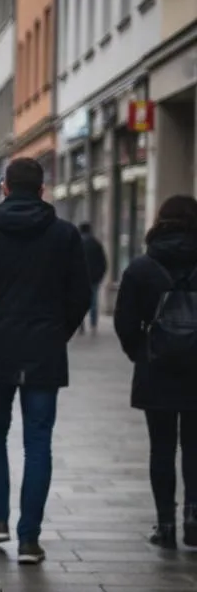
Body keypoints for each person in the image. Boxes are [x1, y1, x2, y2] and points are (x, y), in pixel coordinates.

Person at [0, 157, 90, 564]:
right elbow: (80, 295)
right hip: (45, 348)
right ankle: (29, 537)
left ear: (6, 188)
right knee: (38, 441)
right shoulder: (64, 235)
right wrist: (57, 332)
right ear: (43, 190)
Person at [112, 195, 197, 549]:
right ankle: (194, 518)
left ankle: (165, 526)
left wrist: (142, 354)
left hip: (157, 369)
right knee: (195, 447)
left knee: (160, 448)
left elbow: (124, 323)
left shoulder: (141, 268)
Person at [79, 222, 109, 333]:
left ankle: (80, 324)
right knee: (93, 302)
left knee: (79, 301)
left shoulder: (77, 242)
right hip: (94, 278)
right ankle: (93, 325)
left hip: (79, 279)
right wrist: (100, 276)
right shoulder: (96, 243)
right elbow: (103, 262)